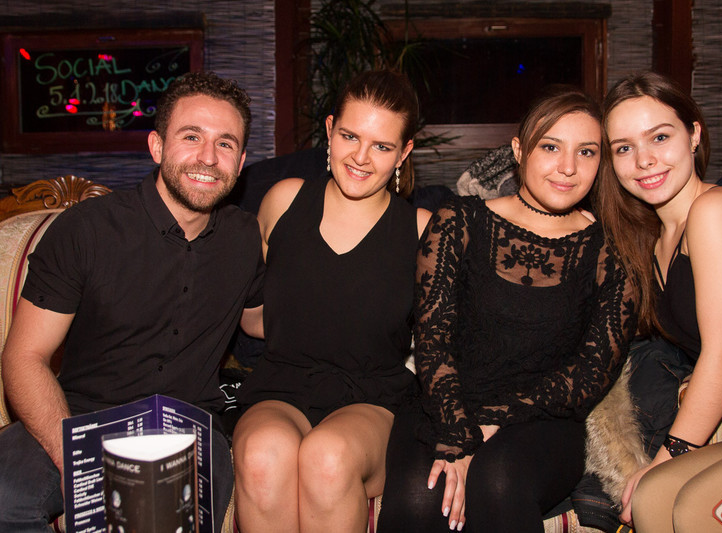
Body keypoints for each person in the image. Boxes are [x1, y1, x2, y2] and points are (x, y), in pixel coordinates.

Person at [0, 71, 265, 533]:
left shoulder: (244, 239)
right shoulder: (86, 230)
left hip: (188, 424)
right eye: (191, 136)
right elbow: (24, 358)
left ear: (241, 162)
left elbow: (263, 321)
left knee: (161, 516)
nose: (208, 157)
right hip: (80, 414)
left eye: (225, 144)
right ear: (157, 146)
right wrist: (75, 459)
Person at [377, 87, 638, 533]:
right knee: (422, 497)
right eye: (551, 147)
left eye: (586, 152)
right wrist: (458, 432)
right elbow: (432, 341)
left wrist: (492, 424)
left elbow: (591, 372)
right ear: (518, 150)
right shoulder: (458, 221)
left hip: (544, 418)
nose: (568, 167)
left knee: (497, 481)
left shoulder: (610, 251)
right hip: (443, 403)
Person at [596, 71, 722, 531]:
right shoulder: (653, 241)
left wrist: (669, 454)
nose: (644, 160)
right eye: (624, 148)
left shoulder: (717, 210)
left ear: (693, 135)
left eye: (660, 137)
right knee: (652, 499)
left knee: (695, 511)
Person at [231, 70, 432, 533]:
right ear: (329, 130)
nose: (360, 157)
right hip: (281, 388)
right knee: (262, 455)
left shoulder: (422, 230)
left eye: (382, 146)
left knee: (328, 457)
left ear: (403, 153)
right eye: (349, 136)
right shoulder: (283, 201)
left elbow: (446, 343)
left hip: (373, 400)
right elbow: (256, 320)